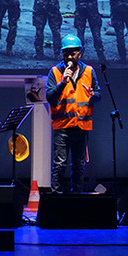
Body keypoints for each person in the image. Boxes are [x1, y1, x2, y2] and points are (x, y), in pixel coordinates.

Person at [45, 35, 101, 193]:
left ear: (80, 54)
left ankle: (77, 196)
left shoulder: (89, 71)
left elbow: (98, 95)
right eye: (66, 54)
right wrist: (63, 82)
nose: (69, 57)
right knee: (60, 164)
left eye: (72, 53)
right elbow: (50, 97)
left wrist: (93, 95)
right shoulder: (55, 72)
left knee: (78, 165)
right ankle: (56, 196)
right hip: (62, 127)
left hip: (81, 126)